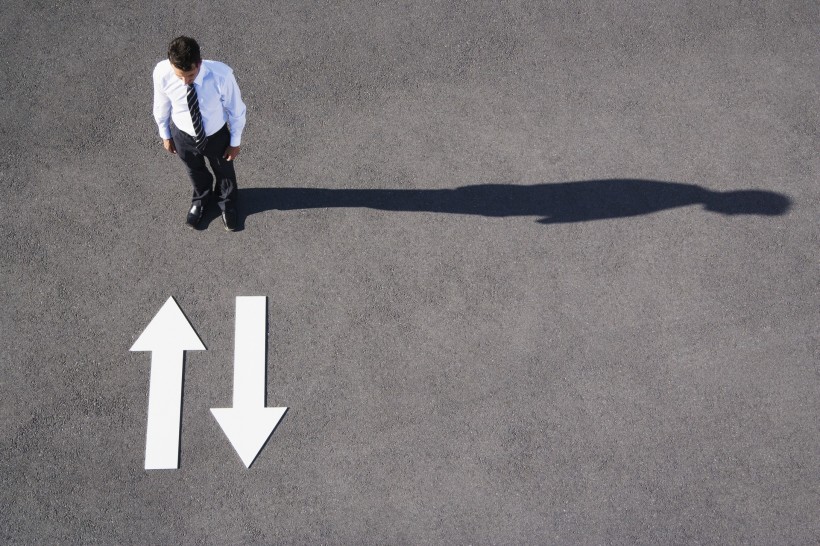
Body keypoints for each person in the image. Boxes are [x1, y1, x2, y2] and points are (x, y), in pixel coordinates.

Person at [152, 36, 246, 231]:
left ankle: (227, 202)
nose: (185, 82)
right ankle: (201, 198)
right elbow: (161, 104)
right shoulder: (162, 73)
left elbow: (236, 110)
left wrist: (235, 142)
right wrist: (165, 134)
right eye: (179, 76)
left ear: (199, 63)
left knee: (224, 170)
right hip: (183, 134)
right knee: (194, 170)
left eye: (191, 75)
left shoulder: (222, 75)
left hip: (216, 135)